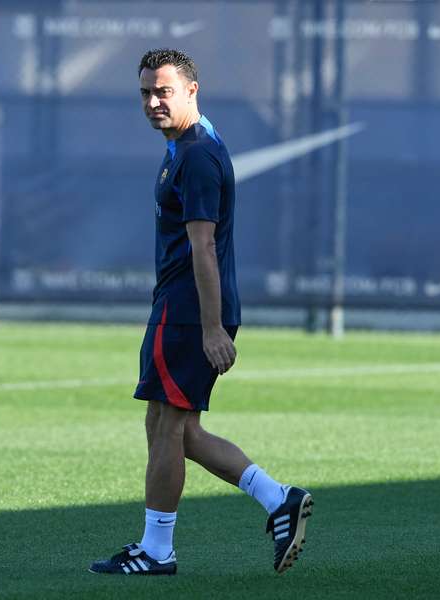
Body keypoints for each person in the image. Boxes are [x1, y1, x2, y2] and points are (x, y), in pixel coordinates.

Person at [89, 49, 313, 577]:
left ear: (192, 89)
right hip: (180, 306)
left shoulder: (196, 154)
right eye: (145, 92)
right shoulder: (189, 144)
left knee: (168, 427)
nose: (152, 101)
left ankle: (157, 551)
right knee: (172, 426)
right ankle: (278, 498)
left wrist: (212, 326)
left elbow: (204, 247)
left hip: (189, 311)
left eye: (164, 91)